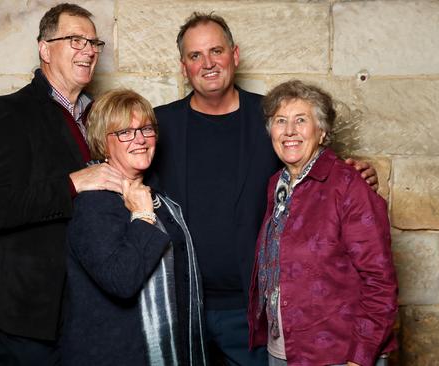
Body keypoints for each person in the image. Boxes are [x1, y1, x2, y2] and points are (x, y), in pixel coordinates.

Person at [149, 12, 379, 366]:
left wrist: (354, 172)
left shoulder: (269, 116)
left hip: (253, 313)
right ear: (184, 67)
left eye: (216, 51)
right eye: (196, 56)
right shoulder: (161, 124)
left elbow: (312, 164)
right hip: (184, 309)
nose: (208, 63)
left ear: (235, 56)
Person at [0, 4, 123, 365]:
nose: (88, 50)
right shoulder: (8, 111)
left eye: (93, 42)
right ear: (44, 48)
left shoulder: (99, 117)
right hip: (31, 315)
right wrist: (74, 182)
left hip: (92, 310)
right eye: (75, 40)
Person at [248, 80, 398, 366]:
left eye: (301, 120)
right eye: (281, 121)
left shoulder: (348, 185)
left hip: (339, 353)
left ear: (322, 131)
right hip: (283, 350)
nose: (289, 131)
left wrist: (360, 358)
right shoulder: (276, 186)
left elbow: (380, 282)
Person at [60, 89, 207, 366]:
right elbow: (121, 281)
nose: (140, 139)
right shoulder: (94, 202)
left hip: (172, 348)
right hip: (117, 353)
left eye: (146, 129)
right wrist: (141, 215)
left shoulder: (159, 197)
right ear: (104, 144)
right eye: (125, 132)